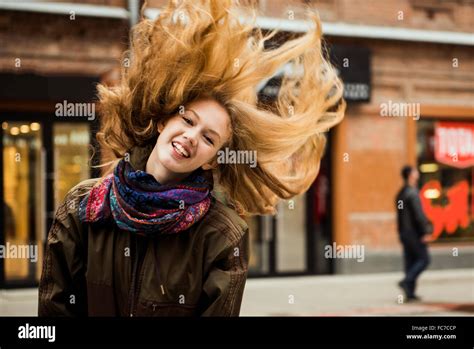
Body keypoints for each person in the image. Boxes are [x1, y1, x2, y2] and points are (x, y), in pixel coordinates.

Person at [38, 0, 345, 316]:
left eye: (209, 138)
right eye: (187, 120)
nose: (191, 137)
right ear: (162, 122)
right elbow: (54, 309)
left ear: (213, 158)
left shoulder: (222, 234)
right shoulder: (85, 206)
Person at [396, 165, 432, 302]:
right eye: (415, 171)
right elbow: (418, 215)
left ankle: (409, 292)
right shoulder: (412, 193)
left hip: (404, 232)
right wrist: (425, 231)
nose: (417, 173)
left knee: (410, 261)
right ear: (411, 175)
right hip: (413, 232)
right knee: (424, 259)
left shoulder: (401, 193)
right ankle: (407, 281)